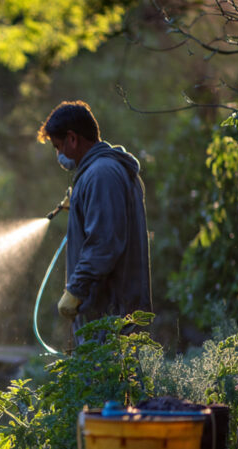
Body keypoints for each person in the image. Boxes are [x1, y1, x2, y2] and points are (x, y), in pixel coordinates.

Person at [37, 100, 152, 341]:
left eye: (58, 146)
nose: (58, 155)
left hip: (110, 317)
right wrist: (81, 204)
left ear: (73, 138)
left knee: (107, 378)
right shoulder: (100, 172)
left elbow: (104, 244)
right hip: (108, 316)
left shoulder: (102, 175)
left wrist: (75, 291)